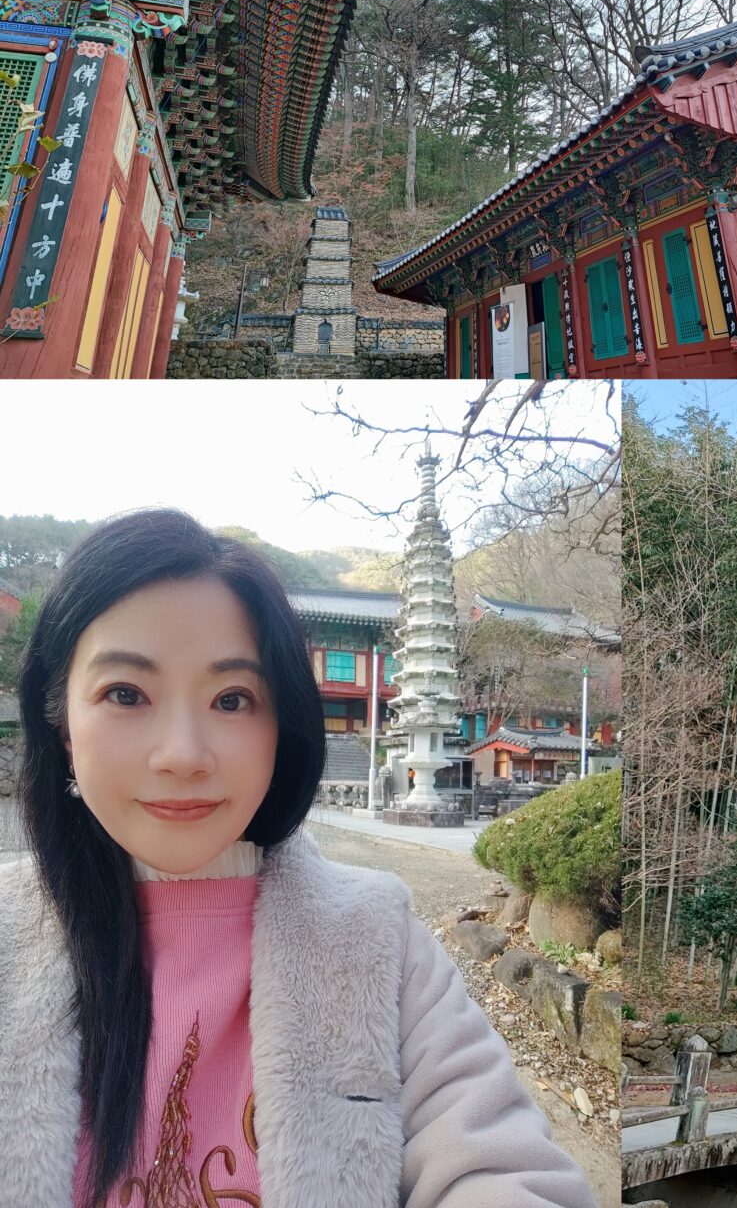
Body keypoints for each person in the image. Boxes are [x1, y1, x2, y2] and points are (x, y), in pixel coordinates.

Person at [0, 510, 595, 1207]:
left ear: (279, 724)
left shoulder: (378, 938)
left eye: (232, 698)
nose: (184, 754)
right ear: (61, 723)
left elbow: (502, 1169)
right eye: (126, 694)